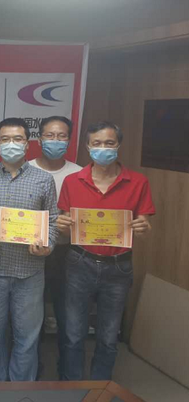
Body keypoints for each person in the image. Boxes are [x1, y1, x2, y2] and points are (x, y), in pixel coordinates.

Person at [56, 121, 154, 381]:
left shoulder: (138, 182)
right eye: (97, 143)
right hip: (80, 262)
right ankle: (72, 389)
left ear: (118, 145)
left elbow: (143, 224)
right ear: (88, 147)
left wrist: (143, 227)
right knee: (73, 334)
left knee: (109, 337)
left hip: (118, 266)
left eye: (109, 143)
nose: (103, 148)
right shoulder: (72, 181)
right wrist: (62, 226)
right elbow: (65, 229)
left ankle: (100, 391)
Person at [0, 118, 58, 382]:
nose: (11, 144)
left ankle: (21, 390)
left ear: (27, 144)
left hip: (30, 272)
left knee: (27, 338)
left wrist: (47, 245)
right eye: (5, 139)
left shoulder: (43, 180)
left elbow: (53, 220)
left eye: (17, 139)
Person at [28, 116, 82, 378]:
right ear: (40, 139)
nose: (55, 141)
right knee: (30, 316)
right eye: (50, 135)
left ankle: (67, 374)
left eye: (61, 136)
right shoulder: (26, 169)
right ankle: (32, 370)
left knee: (67, 316)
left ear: (69, 140)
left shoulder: (79, 174)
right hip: (31, 252)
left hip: (66, 252)